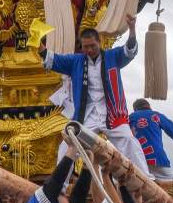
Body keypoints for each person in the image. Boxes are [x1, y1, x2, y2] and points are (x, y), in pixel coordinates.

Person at [40, 15, 151, 177]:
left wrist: (132, 29)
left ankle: (147, 179)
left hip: (112, 115)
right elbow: (54, 60)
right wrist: (39, 45)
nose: (89, 50)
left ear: (99, 42)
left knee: (128, 139)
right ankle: (59, 187)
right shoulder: (76, 61)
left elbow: (129, 50)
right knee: (68, 144)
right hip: (86, 116)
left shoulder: (113, 57)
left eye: (92, 46)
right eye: (86, 47)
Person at [129, 99, 173, 181]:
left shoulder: (129, 118)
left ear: (135, 109)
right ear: (149, 107)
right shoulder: (155, 115)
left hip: (137, 160)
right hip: (157, 159)